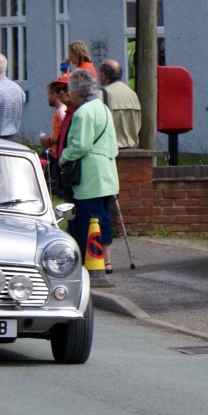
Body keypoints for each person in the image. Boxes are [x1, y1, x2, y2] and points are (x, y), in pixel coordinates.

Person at [60, 68, 119, 271]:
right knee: (104, 218)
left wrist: (63, 157)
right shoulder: (102, 108)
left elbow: (81, 145)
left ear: (77, 92)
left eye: (70, 91)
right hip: (107, 172)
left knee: (89, 218)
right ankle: (107, 260)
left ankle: (93, 262)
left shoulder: (82, 112)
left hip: (90, 175)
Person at [98, 59, 141, 149]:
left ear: (104, 76)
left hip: (110, 149)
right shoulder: (132, 94)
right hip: (131, 148)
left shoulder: (103, 93)